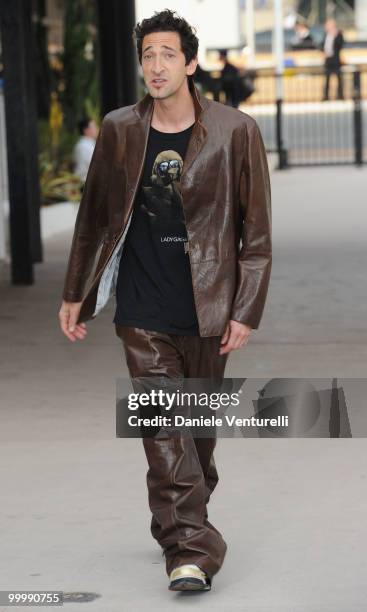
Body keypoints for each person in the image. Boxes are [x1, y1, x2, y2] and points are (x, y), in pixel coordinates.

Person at [58, 9, 272, 594]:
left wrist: (245, 309)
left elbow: (255, 235)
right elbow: (92, 219)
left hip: (208, 306)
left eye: (167, 54)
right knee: (163, 425)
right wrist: (76, 290)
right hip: (142, 309)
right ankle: (192, 551)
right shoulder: (120, 129)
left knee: (195, 440)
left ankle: (175, 518)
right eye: (148, 55)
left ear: (191, 63)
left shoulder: (236, 130)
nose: (156, 65)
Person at [320, 18, 344, 101]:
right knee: (327, 78)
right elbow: (322, 45)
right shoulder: (326, 35)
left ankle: (340, 95)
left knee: (339, 78)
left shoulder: (338, 34)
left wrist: (335, 35)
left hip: (336, 60)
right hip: (328, 60)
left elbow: (340, 45)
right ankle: (326, 96)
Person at [73, 117, 99, 186]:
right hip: (84, 184)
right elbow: (97, 165)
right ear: (86, 130)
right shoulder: (84, 146)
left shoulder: (87, 144)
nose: (97, 129)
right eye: (94, 127)